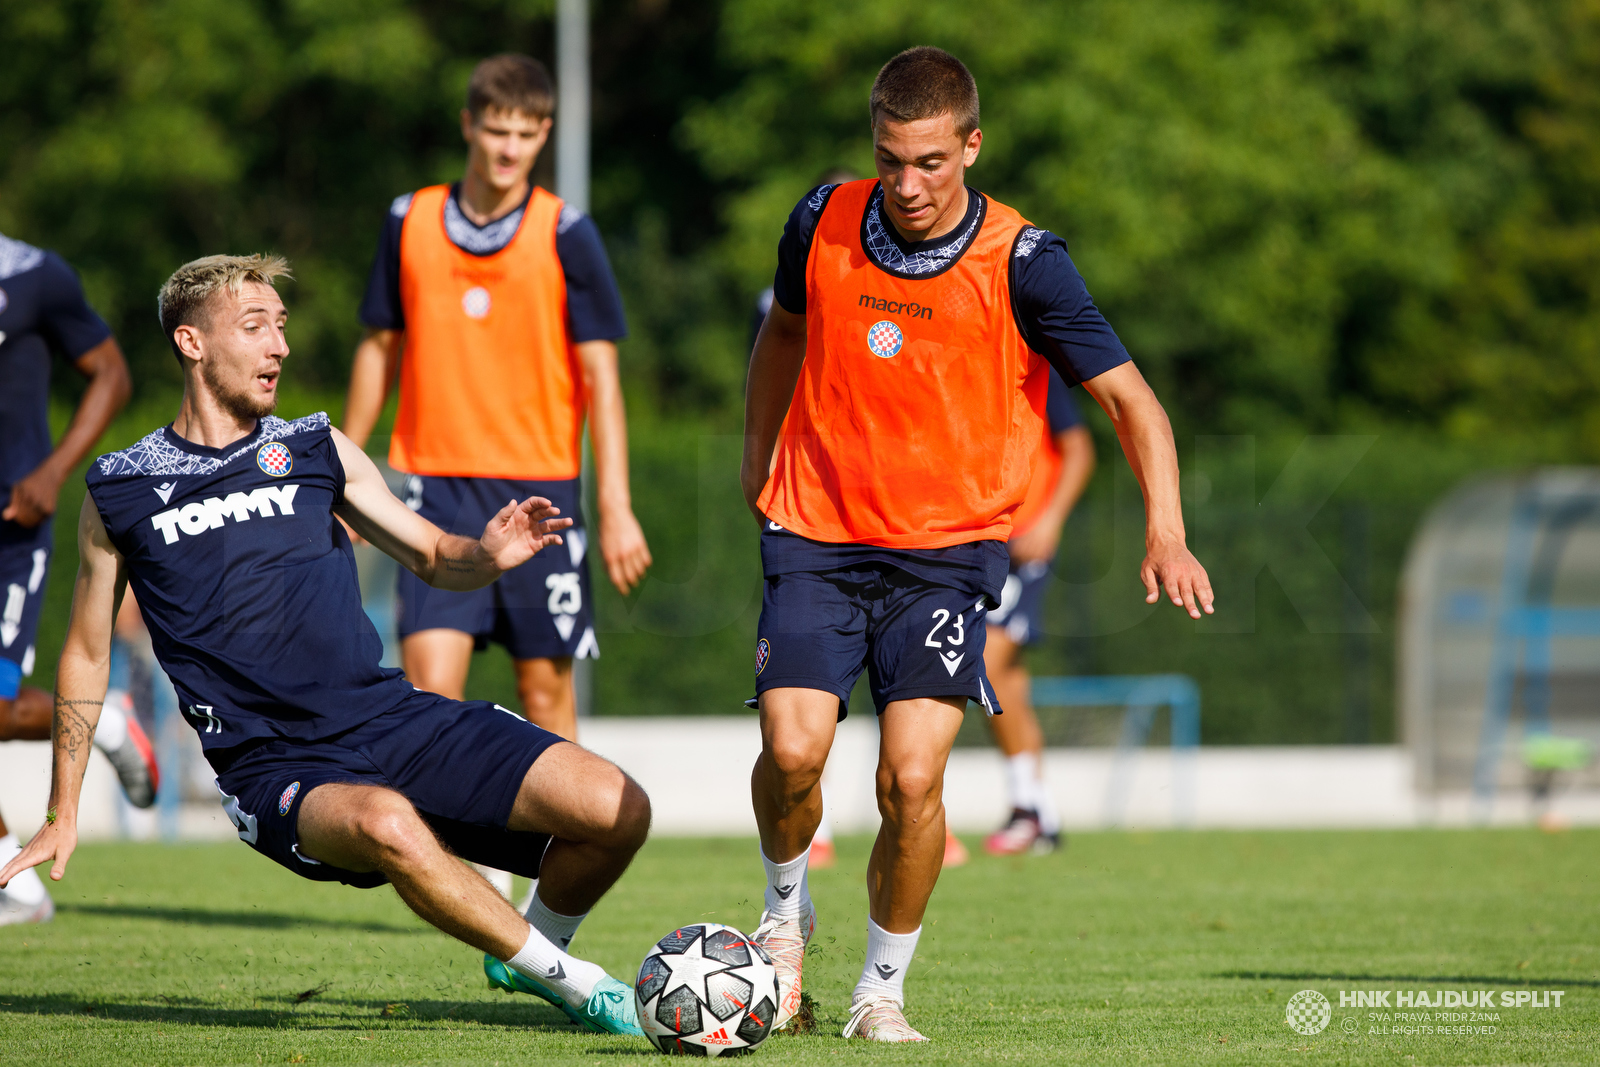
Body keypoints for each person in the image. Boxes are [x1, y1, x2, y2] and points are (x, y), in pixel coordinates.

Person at [0, 255, 649, 1035]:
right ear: (192, 342)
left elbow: (434, 555)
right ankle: (578, 983)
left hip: (391, 717)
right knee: (388, 824)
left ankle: (529, 947)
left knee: (619, 808)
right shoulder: (121, 488)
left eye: (281, 326)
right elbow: (85, 652)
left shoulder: (318, 447)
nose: (278, 346)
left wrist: (489, 552)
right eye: (254, 327)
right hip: (276, 766)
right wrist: (62, 807)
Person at [740, 47, 1212, 1042]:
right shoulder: (821, 219)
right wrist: (757, 455)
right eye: (889, 160)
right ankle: (784, 916)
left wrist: (1164, 528)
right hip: (815, 529)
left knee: (910, 781)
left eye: (928, 163)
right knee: (792, 752)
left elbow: (1132, 400)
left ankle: (878, 988)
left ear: (970, 145)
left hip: (946, 555)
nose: (906, 185)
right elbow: (781, 332)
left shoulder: (1026, 260)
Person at [342, 53, 651, 750]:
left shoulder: (567, 231)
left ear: (544, 134)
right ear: (469, 126)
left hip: (539, 487)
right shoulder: (409, 219)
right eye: (496, 130)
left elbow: (602, 376)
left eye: (527, 132)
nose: (510, 148)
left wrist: (615, 505)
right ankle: (466, 864)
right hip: (435, 483)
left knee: (544, 690)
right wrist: (348, 476)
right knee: (429, 689)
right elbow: (378, 349)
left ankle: (562, 855)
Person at [0, 231, 157, 925]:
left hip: (10, 522)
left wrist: (52, 472)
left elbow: (113, 374)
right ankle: (17, 887)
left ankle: (103, 717)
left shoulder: (34, 275)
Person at [981, 369, 1095, 855]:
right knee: (1006, 681)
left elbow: (1081, 451)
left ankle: (1030, 809)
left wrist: (1050, 522)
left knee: (983, 663)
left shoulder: (1035, 369)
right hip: (980, 541)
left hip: (1023, 543)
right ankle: (1036, 808)